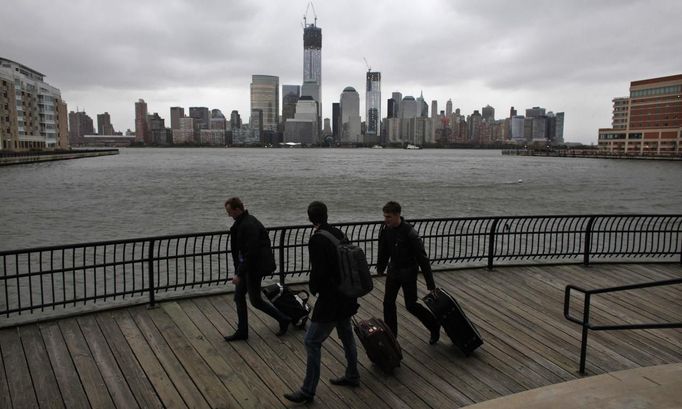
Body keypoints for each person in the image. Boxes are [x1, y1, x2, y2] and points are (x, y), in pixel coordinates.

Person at [284, 201, 360, 404]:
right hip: (347, 294)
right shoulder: (338, 233)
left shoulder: (317, 240)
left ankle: (308, 391)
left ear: (310, 218)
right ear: (326, 215)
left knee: (311, 341)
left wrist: (314, 287)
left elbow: (319, 271)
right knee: (346, 334)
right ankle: (352, 374)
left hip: (331, 299)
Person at [223, 197, 290, 341]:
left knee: (255, 300)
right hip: (248, 267)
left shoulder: (248, 225)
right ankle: (242, 331)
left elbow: (250, 253)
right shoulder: (245, 222)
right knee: (240, 297)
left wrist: (239, 273)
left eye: (229, 212)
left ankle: (283, 318)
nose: (228, 215)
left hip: (253, 268)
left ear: (237, 209)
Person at [377, 201, 440, 345]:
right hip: (393, 272)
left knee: (411, 305)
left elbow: (422, 258)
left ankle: (434, 325)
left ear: (398, 215)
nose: (386, 220)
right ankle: (392, 336)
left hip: (408, 273)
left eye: (389, 217)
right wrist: (380, 267)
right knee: (388, 303)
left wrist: (430, 284)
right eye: (384, 216)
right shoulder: (386, 230)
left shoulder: (410, 232)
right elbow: (384, 250)